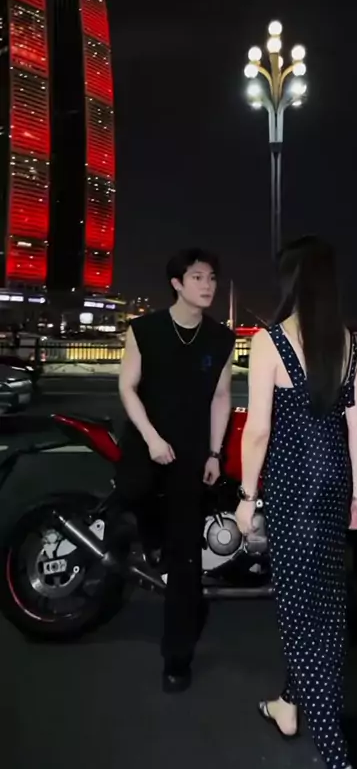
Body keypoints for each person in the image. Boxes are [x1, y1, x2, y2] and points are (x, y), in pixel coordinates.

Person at [236, 236, 357, 769]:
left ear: (290, 281)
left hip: (292, 487)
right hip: (334, 483)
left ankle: (335, 753)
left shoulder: (270, 343)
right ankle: (288, 707)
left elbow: (257, 431)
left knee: (298, 614)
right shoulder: (349, 345)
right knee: (326, 605)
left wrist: (247, 496)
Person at [117, 248, 235, 693]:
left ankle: (177, 657)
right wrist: (151, 438)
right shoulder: (144, 329)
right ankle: (151, 542)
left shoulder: (221, 339)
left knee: (186, 558)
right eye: (198, 277)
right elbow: (127, 387)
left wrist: (214, 453)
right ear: (177, 284)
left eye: (212, 277)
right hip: (145, 442)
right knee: (132, 491)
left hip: (191, 453)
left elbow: (221, 397)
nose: (207, 285)